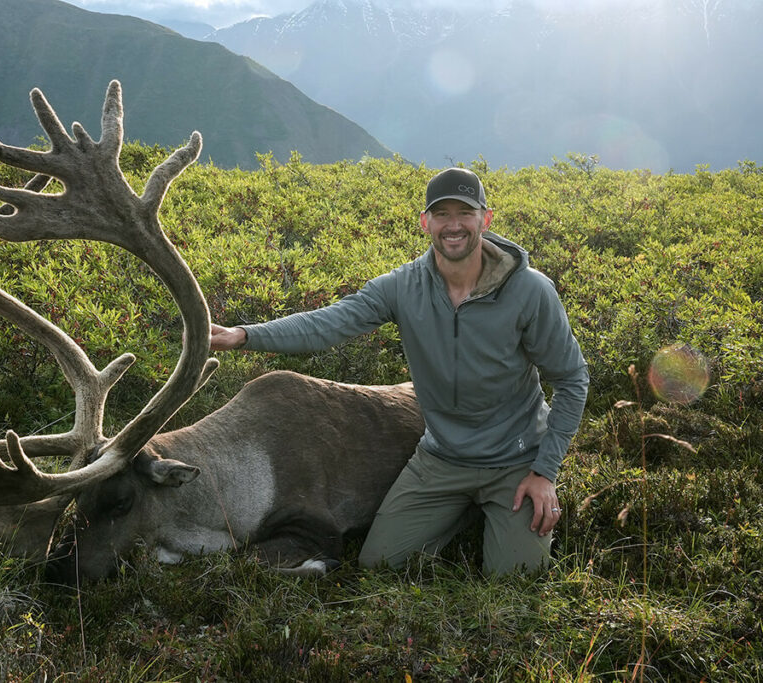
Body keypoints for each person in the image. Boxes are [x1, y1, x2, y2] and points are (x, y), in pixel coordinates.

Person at [209, 167, 589, 575]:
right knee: (379, 564)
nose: (454, 225)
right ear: (426, 222)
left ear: (486, 219)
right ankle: (465, 511)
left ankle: (495, 511)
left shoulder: (530, 290)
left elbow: (571, 379)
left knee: (516, 578)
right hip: (441, 458)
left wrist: (544, 471)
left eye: (466, 212)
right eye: (442, 214)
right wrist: (243, 335)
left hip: (516, 460)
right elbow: (328, 323)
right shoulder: (402, 286)